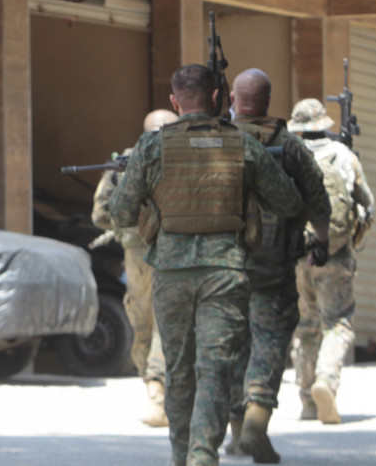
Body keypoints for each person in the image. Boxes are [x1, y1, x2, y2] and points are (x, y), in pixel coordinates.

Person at [108, 64, 303, 466]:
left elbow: (121, 212)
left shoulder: (151, 147)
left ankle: (181, 456)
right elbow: (288, 202)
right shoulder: (243, 144)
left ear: (174, 101)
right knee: (215, 369)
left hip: (171, 275)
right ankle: (202, 456)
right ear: (217, 98)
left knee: (179, 370)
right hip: (225, 273)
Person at [225, 71, 331, 463]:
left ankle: (237, 434)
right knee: (269, 345)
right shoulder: (289, 146)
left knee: (233, 346)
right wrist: (321, 242)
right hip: (274, 266)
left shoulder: (218, 140)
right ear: (268, 101)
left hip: (224, 268)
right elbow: (318, 201)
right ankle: (256, 426)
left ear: (233, 99)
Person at [286, 97, 375, 427]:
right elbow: (367, 203)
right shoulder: (343, 155)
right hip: (335, 254)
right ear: (324, 123)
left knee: (305, 324)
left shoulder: (288, 156)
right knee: (337, 322)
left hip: (298, 256)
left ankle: (308, 400)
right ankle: (326, 379)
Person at [90, 107, 178, 428]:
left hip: (141, 253)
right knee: (163, 321)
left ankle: (155, 390)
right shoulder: (186, 157)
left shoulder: (126, 162)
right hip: (174, 250)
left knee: (147, 320)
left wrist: (131, 220)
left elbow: (101, 215)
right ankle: (158, 390)